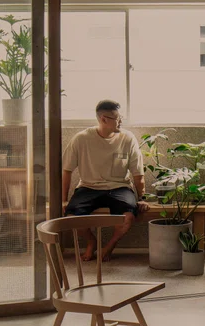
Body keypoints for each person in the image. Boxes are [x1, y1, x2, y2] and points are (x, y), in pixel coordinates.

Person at [62, 100, 149, 261]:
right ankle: (91, 242)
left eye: (121, 117)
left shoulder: (128, 138)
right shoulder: (81, 139)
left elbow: (138, 173)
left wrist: (142, 198)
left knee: (128, 217)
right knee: (71, 218)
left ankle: (109, 247)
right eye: (117, 118)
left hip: (120, 187)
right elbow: (66, 170)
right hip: (88, 187)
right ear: (103, 119)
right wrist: (63, 200)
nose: (121, 121)